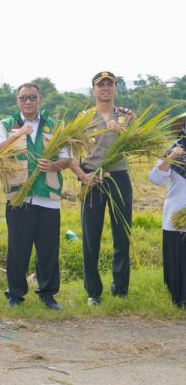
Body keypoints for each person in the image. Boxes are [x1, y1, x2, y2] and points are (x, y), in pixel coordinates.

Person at [0, 83, 70, 310]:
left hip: (48, 196)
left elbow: (67, 158)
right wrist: (17, 135)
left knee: (48, 249)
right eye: (23, 97)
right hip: (19, 196)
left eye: (32, 97)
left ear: (40, 99)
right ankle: (15, 295)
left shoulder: (55, 126)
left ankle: (48, 294)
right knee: (18, 248)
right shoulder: (7, 125)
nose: (28, 101)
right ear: (17, 100)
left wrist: (53, 165)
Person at [70, 71, 135, 305]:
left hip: (119, 175)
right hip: (92, 178)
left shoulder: (127, 116)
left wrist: (121, 132)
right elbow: (71, 152)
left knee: (122, 234)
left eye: (109, 84)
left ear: (116, 88)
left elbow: (137, 144)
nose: (105, 88)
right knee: (91, 236)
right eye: (101, 85)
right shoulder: (83, 118)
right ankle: (93, 292)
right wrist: (82, 175)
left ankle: (121, 289)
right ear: (94, 90)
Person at [148, 119, 186, 307]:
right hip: (177, 215)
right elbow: (155, 178)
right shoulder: (175, 149)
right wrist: (171, 157)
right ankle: (178, 299)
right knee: (177, 258)